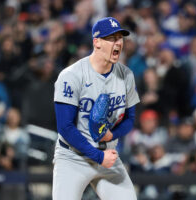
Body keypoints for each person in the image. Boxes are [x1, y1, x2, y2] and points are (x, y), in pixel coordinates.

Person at [52, 17, 140, 200]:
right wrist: (98, 157)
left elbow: (130, 118)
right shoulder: (71, 76)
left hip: (108, 155)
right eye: (111, 38)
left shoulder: (126, 76)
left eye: (120, 38)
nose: (118, 43)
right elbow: (65, 127)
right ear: (97, 42)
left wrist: (112, 135)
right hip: (73, 158)